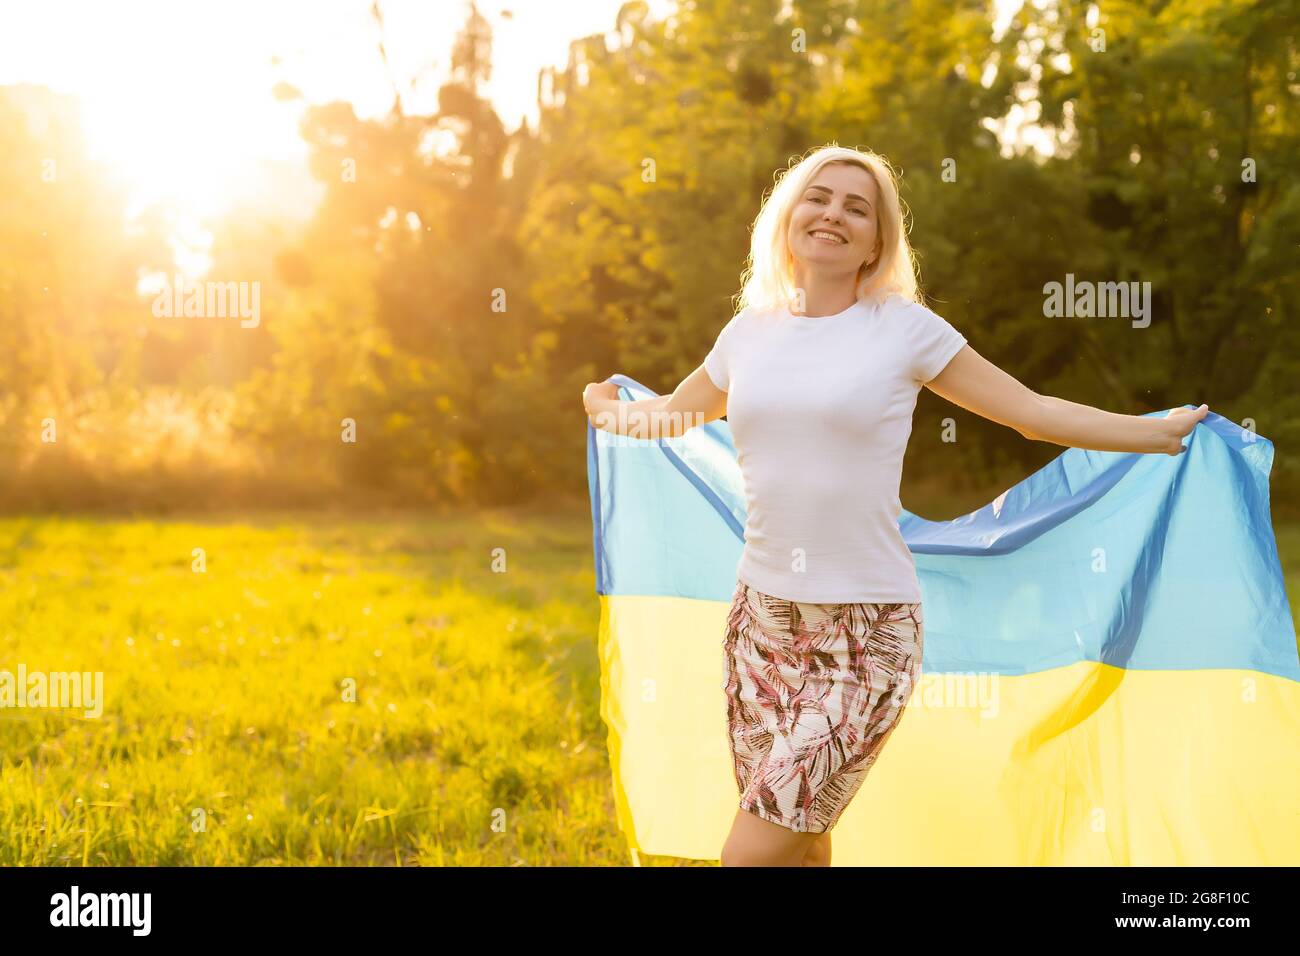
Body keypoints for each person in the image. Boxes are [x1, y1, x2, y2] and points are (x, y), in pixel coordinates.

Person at [581, 144, 1207, 867]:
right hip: (761, 626)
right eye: (819, 197)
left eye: (857, 207)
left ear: (877, 241)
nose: (833, 214)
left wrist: (1151, 435)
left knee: (749, 853)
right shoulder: (749, 333)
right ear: (789, 216)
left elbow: (1029, 413)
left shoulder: (904, 329)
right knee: (802, 845)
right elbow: (672, 416)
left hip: (866, 633)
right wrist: (604, 409)